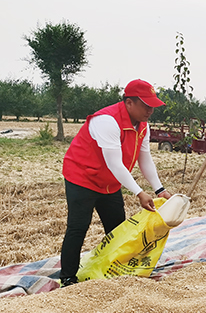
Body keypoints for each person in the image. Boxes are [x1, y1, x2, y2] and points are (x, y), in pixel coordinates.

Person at [59, 79, 172, 287]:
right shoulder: (107, 121)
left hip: (110, 183)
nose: (150, 110)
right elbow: (115, 164)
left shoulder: (143, 126)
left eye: (152, 106)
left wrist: (159, 189)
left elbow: (144, 158)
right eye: (146, 105)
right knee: (78, 227)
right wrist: (139, 192)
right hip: (82, 178)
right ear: (129, 103)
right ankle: (67, 278)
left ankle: (116, 270)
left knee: (118, 228)